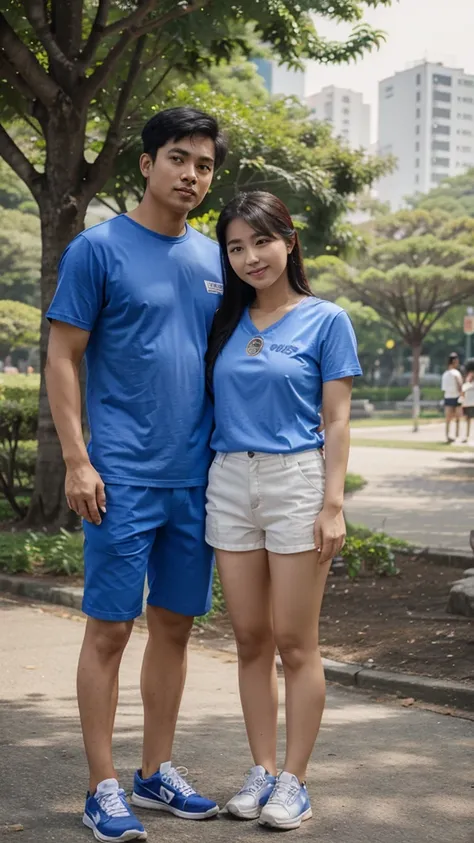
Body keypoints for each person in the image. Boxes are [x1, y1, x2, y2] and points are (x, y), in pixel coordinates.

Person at [45, 107, 228, 842]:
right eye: (179, 158)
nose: (191, 174)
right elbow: (63, 355)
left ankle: (155, 770)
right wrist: (77, 458)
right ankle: (102, 784)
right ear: (146, 165)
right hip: (119, 476)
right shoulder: (98, 249)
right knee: (111, 629)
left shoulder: (219, 258)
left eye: (205, 165)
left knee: (176, 627)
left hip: (198, 477)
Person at [205, 191, 362, 831]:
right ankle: (262, 769)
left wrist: (332, 504)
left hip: (297, 480)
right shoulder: (224, 320)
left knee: (296, 643)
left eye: (261, 242)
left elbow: (338, 418)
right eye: (236, 247)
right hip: (228, 480)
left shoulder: (327, 320)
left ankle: (295, 780)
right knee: (249, 639)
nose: (250, 257)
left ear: (288, 241)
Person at [441, 352, 462, 443]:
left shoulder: (445, 374)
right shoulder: (456, 373)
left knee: (448, 418)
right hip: (456, 397)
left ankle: (448, 435)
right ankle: (456, 435)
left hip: (448, 397)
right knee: (457, 418)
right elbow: (460, 385)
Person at [461, 359, 474, 443]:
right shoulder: (468, 378)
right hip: (469, 401)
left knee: (468, 419)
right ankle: (467, 436)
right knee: (468, 419)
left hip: (468, 401)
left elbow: (463, 389)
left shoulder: (467, 378)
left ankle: (467, 436)